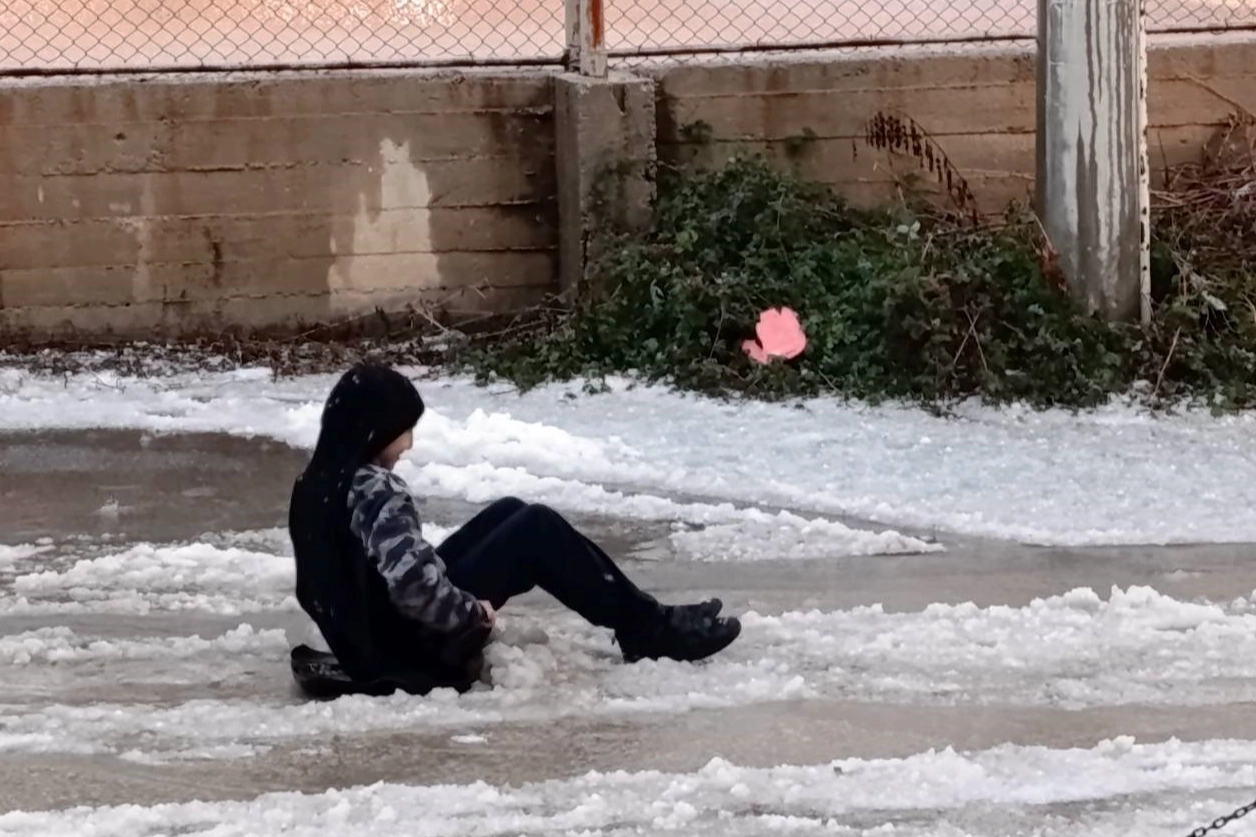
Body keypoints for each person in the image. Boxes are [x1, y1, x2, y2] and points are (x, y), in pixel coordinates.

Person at [287, 361, 741, 698]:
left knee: (511, 511)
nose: (409, 443)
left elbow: (318, 588)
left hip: (371, 640)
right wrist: (471, 614)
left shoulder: (316, 484)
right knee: (535, 529)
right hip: (407, 650)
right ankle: (647, 628)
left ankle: (641, 619)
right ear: (371, 431)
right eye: (401, 430)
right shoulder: (374, 490)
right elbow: (412, 587)